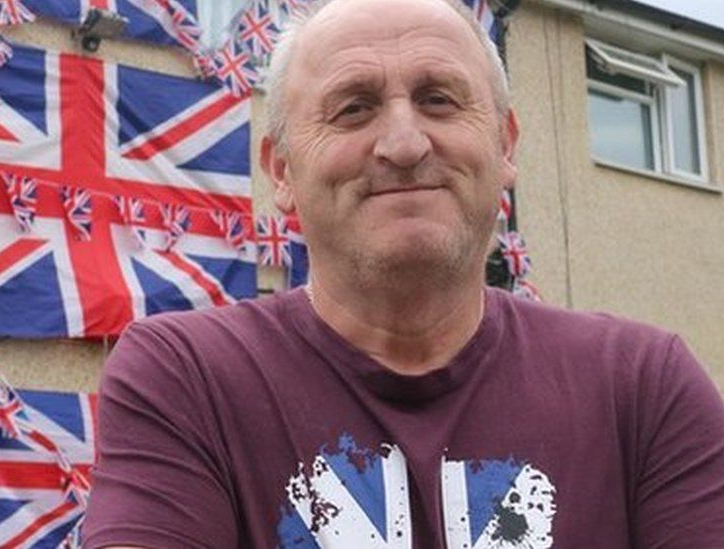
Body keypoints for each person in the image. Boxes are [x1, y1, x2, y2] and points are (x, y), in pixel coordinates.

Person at [82, 0, 724, 546]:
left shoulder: (642, 387)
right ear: (281, 171)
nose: (405, 144)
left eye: (439, 100)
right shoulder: (187, 379)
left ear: (505, 147)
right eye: (353, 109)